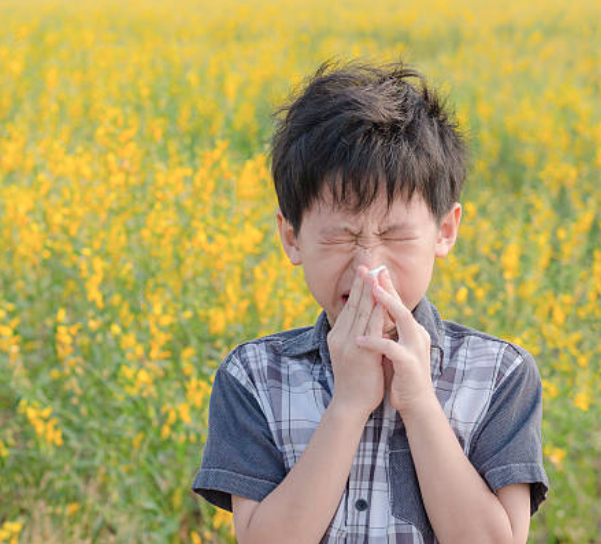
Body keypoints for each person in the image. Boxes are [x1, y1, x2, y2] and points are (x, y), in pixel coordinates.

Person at [190, 59, 549, 543]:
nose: (368, 268)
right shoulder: (254, 376)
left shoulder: (500, 374)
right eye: (340, 237)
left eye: (395, 235)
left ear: (445, 231)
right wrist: (349, 404)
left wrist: (420, 403)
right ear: (292, 238)